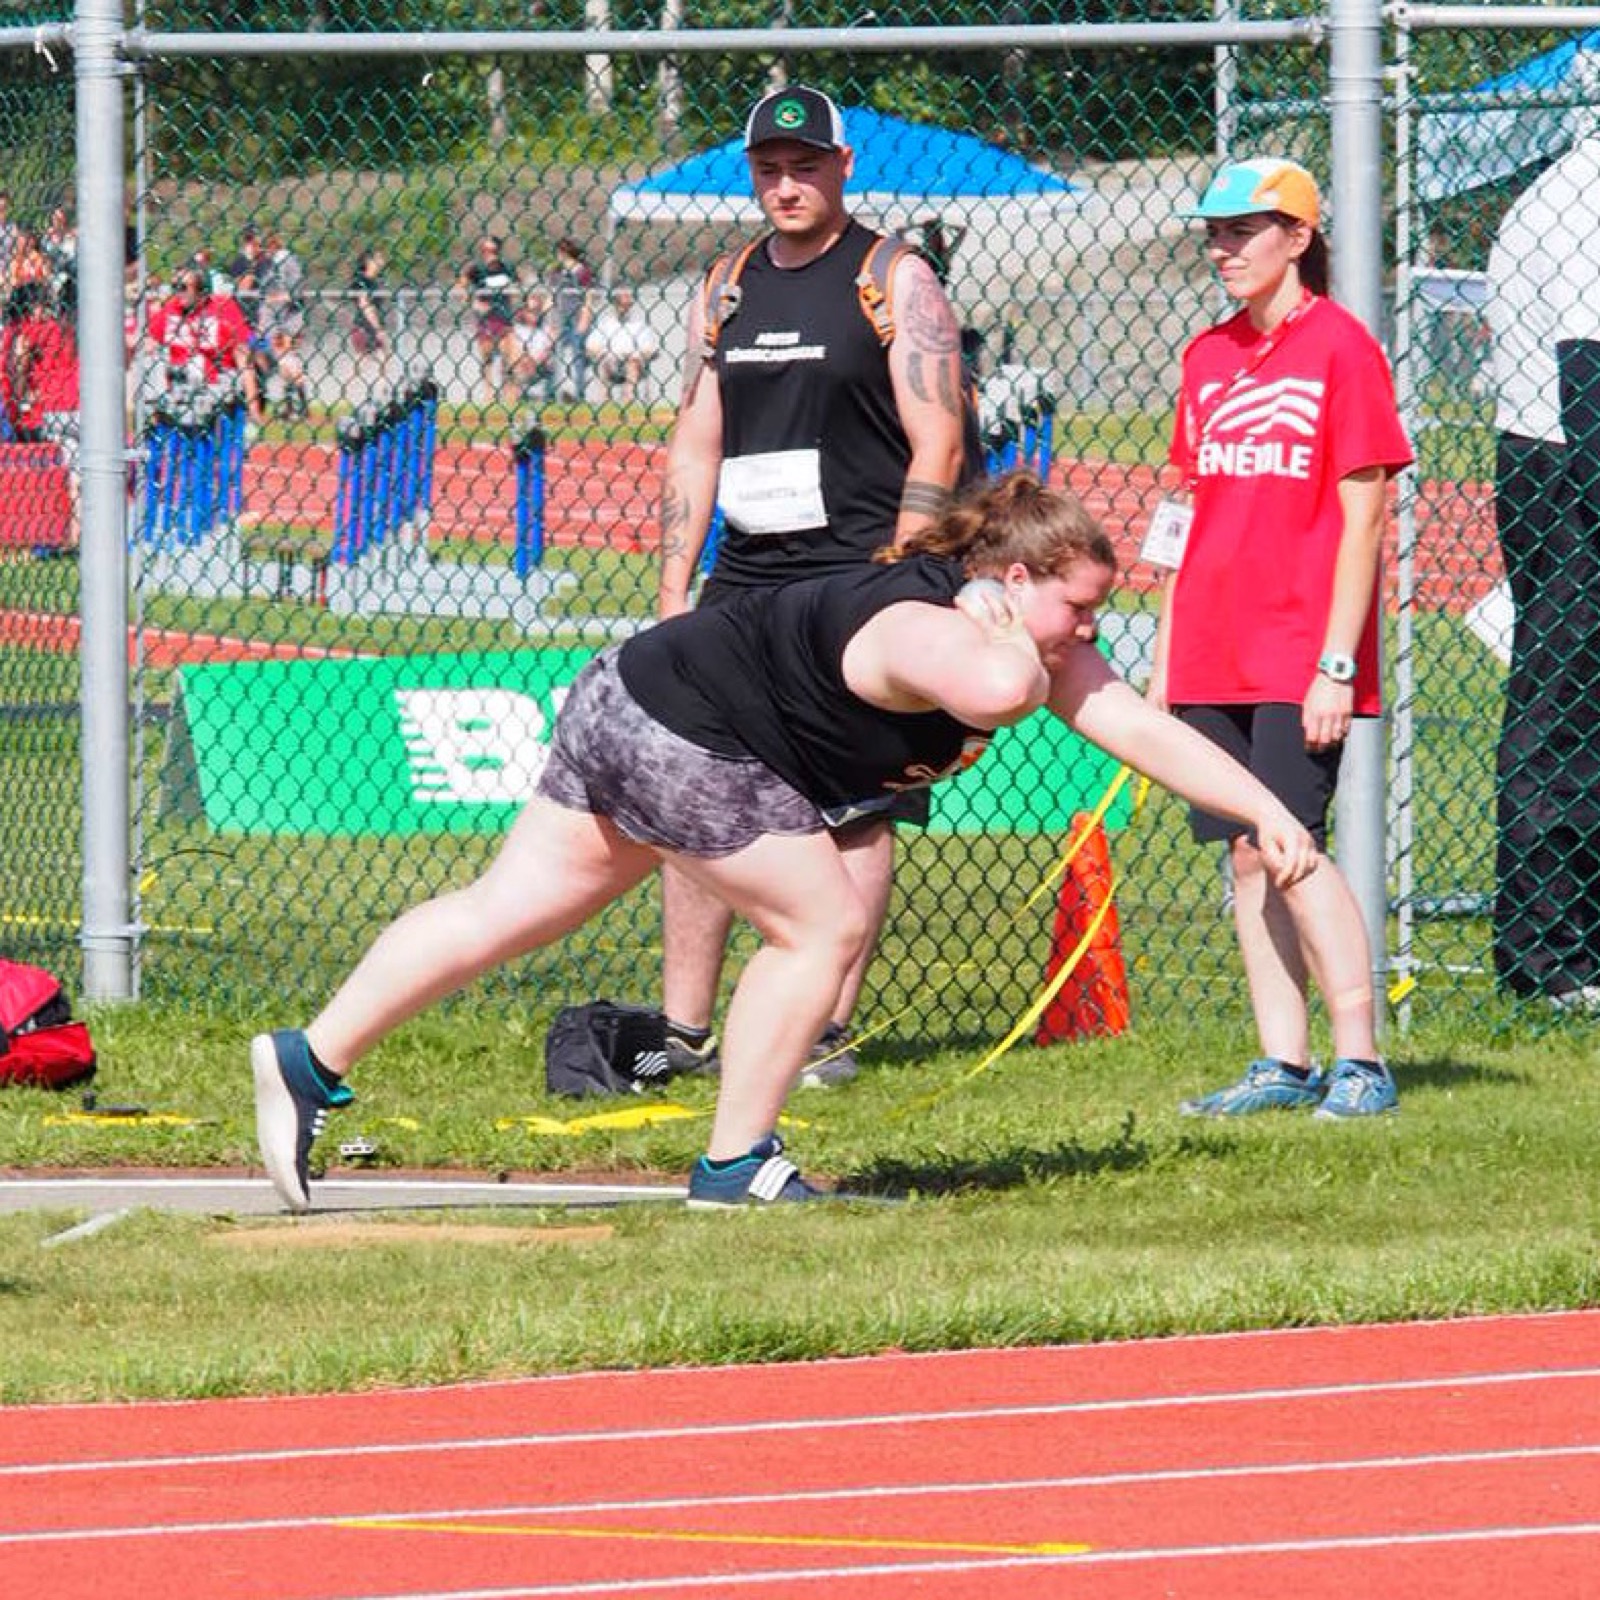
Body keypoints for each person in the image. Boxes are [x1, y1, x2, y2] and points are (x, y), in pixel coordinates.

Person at [250, 471, 1321, 1214]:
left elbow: (1136, 726)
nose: (1089, 631)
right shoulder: (942, 630)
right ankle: (735, 1165)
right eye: (1078, 608)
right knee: (821, 926)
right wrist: (1011, 639)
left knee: (506, 909)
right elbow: (1001, 691)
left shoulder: (1014, 640)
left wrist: (1264, 809)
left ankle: (308, 1057)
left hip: (632, 693)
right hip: (681, 726)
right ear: (1009, 581)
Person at [651, 84, 975, 1088]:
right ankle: (682, 1030)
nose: (786, 185)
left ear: (843, 166)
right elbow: (697, 438)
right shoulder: (728, 284)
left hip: (854, 576)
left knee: (853, 807)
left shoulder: (893, 276)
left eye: (804, 166)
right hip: (746, 577)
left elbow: (938, 435)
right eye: (768, 170)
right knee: (696, 793)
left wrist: (902, 575)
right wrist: (673, 590)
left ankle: (825, 1028)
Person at [1145, 157, 1412, 1120]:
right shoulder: (1206, 357)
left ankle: (1361, 1061)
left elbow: (1366, 516)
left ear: (1297, 238)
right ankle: (1282, 1061)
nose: (1224, 250)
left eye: (1243, 232)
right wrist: (1164, 658)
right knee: (1247, 855)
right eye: (1214, 234)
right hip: (1208, 648)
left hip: (1299, 649)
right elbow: (1184, 513)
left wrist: (1337, 664)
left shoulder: (1342, 348)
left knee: (1292, 842)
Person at [1484, 135, 1600, 1009]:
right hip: (1567, 469)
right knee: (1561, 717)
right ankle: (1551, 958)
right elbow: (1586, 375)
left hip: (1558, 462)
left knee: (1572, 715)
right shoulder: (1582, 197)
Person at [2, 280, 80, 541]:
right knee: (75, 472)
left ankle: (53, 536)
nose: (44, 310)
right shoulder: (63, 328)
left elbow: (20, 356)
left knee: (45, 474)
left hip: (49, 409)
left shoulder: (30, 329)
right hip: (77, 407)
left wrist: (21, 393)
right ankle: (73, 535)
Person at [147, 262, 264, 424]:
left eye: (182, 287)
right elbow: (149, 345)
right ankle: (155, 421)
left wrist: (253, 408)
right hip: (178, 385)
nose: (177, 292)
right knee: (152, 361)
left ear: (201, 289)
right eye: (174, 286)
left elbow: (244, 360)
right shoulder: (171, 307)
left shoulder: (224, 307)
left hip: (216, 386)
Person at [457, 234, 520, 406]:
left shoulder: (507, 268)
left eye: (493, 251)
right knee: (488, 360)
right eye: (485, 250)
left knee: (509, 360)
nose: (489, 254)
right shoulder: (476, 269)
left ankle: (510, 398)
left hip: (505, 318)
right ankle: (489, 396)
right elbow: (460, 287)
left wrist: (516, 306)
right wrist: (474, 303)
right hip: (486, 319)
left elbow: (517, 288)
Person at [257, 229, 309, 418]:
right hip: (277, 320)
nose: (263, 252)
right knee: (284, 363)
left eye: (265, 248)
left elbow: (296, 292)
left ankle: (300, 404)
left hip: (290, 319)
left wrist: (274, 299)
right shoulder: (273, 264)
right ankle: (292, 405)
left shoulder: (287, 261)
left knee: (287, 360)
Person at [585, 284, 658, 405]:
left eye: (626, 305)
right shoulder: (605, 323)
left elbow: (651, 349)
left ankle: (627, 399)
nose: (623, 309)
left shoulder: (639, 324)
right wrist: (603, 353)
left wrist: (636, 355)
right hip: (611, 362)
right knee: (604, 361)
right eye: (619, 304)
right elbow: (590, 346)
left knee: (632, 363)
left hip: (634, 364)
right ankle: (605, 401)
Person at [548, 236, 594, 401]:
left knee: (577, 358)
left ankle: (578, 394)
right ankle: (552, 394)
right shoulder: (556, 272)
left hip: (576, 318)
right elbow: (551, 297)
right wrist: (551, 322)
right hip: (560, 318)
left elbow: (588, 297)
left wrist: (584, 319)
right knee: (555, 357)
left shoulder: (582, 272)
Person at [349, 246, 391, 398]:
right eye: (377, 258)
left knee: (381, 358)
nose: (381, 261)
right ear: (368, 261)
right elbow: (365, 305)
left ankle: (381, 393)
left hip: (369, 326)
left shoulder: (376, 281)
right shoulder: (363, 281)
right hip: (365, 327)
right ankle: (353, 391)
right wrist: (378, 328)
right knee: (374, 360)